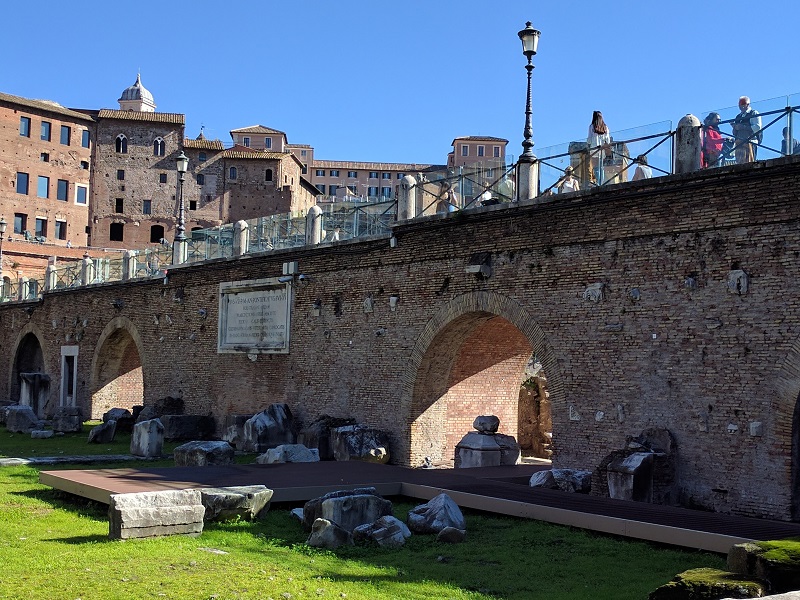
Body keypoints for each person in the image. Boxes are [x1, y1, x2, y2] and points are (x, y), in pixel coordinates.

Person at [732, 96, 761, 164]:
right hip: (739, 143)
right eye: (739, 105)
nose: (740, 107)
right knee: (739, 162)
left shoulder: (753, 113)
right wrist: (735, 128)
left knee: (749, 161)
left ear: (747, 104)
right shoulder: (738, 116)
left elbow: (757, 127)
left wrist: (743, 127)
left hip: (750, 142)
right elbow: (734, 133)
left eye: (742, 104)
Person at [587, 111, 611, 184]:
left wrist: (588, 145)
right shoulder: (605, 127)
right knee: (601, 167)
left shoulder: (592, 126)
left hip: (594, 148)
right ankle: (602, 182)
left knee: (595, 166)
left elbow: (589, 140)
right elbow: (608, 140)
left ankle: (598, 183)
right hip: (602, 149)